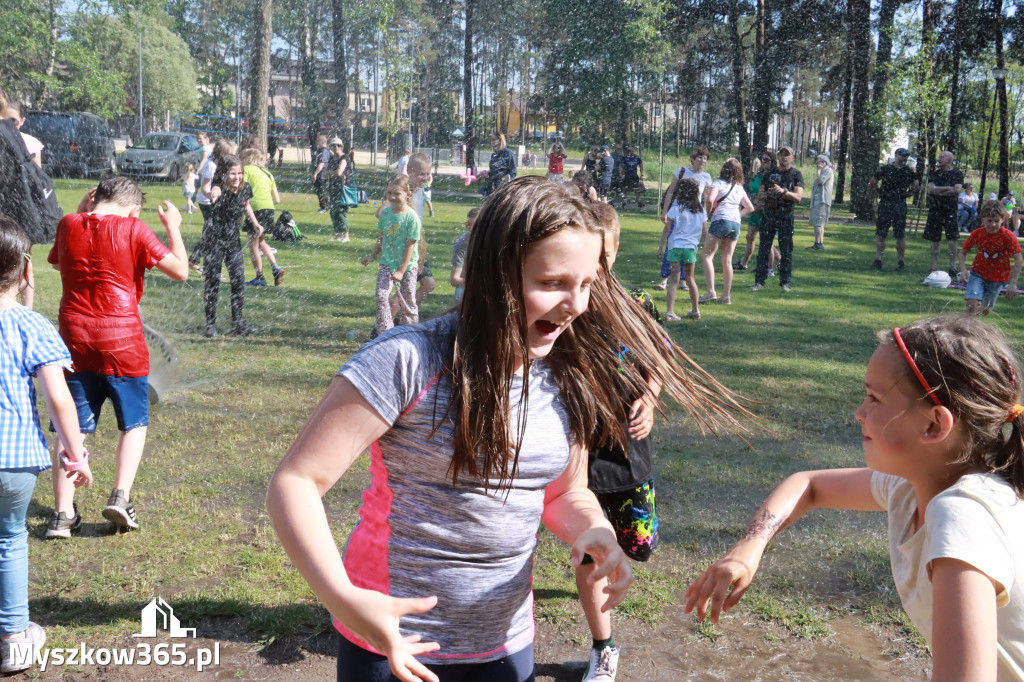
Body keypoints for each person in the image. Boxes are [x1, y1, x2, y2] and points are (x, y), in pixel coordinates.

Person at [266, 176, 747, 682]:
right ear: (495, 272)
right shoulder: (408, 360)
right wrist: (345, 600)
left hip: (505, 646)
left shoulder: (570, 371)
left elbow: (565, 492)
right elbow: (297, 482)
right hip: (394, 646)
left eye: (586, 284)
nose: (577, 305)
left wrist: (596, 532)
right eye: (554, 283)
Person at [685, 313, 1024, 682]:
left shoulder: (962, 515)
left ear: (933, 425)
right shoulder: (913, 486)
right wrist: (748, 548)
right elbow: (809, 484)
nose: (859, 413)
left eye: (874, 398)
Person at [46, 177, 188, 535]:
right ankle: (120, 498)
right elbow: (180, 271)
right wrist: (173, 227)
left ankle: (63, 515)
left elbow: (59, 264)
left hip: (74, 340)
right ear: (135, 207)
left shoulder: (68, 224)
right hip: (122, 342)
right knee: (134, 422)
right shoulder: (134, 228)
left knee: (71, 426)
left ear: (95, 198)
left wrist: (81, 212)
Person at [576, 201, 663, 682]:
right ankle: (603, 647)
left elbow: (659, 363)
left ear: (616, 250)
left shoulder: (638, 306)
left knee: (640, 545)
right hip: (583, 454)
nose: (596, 268)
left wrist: (648, 399)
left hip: (630, 452)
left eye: (604, 256)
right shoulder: (569, 307)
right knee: (593, 554)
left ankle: (611, 553)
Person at [0, 218, 91, 673]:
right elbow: (59, 399)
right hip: (12, 461)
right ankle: (15, 638)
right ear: (25, 271)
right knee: (9, 539)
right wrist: (76, 455)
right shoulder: (32, 326)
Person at [201, 154, 261, 338]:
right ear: (224, 174)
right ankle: (210, 324)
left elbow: (246, 205)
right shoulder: (219, 191)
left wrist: (255, 223)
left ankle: (237, 322)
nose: (237, 177)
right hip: (214, 242)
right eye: (233, 174)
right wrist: (214, 191)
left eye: (240, 173)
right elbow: (213, 189)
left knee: (238, 281)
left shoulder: (245, 188)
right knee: (212, 283)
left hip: (233, 243)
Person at [360, 174, 420, 333]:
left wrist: (401, 270)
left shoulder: (411, 218)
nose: (392, 197)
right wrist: (372, 256)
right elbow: (382, 238)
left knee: (407, 301)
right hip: (387, 262)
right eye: (389, 193)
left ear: (408, 194)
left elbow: (410, 246)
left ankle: (410, 332)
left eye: (397, 193)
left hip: (407, 267)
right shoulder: (386, 214)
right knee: (381, 296)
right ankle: (385, 331)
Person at [701, 158, 754, 306]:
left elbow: (710, 200)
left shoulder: (718, 184)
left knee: (707, 256)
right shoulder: (739, 188)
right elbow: (750, 208)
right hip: (735, 224)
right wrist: (737, 215)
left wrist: (709, 214)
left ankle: (711, 291)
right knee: (727, 260)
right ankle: (726, 296)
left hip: (720, 221)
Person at [659, 146, 711, 289]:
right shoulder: (682, 172)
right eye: (700, 157)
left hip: (693, 215)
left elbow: (706, 199)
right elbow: (670, 193)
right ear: (693, 159)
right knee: (672, 244)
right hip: (677, 213)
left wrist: (705, 217)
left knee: (687, 246)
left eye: (705, 158)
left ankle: (682, 279)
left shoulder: (706, 177)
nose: (702, 160)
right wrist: (665, 212)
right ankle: (664, 277)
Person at [957, 200, 1022, 316]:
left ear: (1003, 219)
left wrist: (1013, 283)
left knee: (985, 310)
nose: (993, 225)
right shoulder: (977, 234)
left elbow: (1019, 259)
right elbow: (962, 253)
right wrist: (963, 270)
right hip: (978, 273)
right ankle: (968, 329)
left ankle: (973, 323)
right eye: (989, 221)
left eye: (996, 221)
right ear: (982, 220)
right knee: (972, 304)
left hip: (998, 277)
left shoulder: (1008, 236)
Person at [752, 146, 803, 292]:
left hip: (786, 216)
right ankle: (759, 281)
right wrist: (769, 194)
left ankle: (785, 282)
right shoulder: (770, 174)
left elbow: (798, 197)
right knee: (763, 248)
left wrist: (784, 192)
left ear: (792, 158)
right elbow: (760, 195)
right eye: (781, 155)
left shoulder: (796, 175)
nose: (784, 157)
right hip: (769, 215)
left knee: (786, 250)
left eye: (787, 155)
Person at [659, 178, 704, 320]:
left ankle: (670, 312)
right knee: (691, 279)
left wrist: (661, 247)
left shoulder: (676, 209)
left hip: (675, 247)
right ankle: (695, 310)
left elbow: (667, 230)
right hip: (690, 248)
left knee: (674, 281)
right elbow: (704, 232)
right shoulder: (700, 211)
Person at [240, 147, 285, 287]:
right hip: (269, 208)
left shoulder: (247, 169)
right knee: (261, 242)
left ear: (248, 158)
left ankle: (259, 277)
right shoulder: (268, 174)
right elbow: (277, 199)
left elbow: (242, 189)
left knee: (253, 245)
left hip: (256, 209)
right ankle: (275, 268)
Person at [191, 138, 234, 275]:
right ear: (220, 152)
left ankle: (196, 260)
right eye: (227, 154)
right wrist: (212, 195)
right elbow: (204, 187)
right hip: (208, 203)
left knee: (211, 234)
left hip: (215, 202)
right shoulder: (211, 165)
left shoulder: (219, 164)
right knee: (211, 235)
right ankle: (203, 264)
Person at [871, 147, 918, 271]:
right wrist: (880, 192)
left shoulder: (909, 171)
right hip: (886, 203)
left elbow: (916, 186)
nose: (905, 158)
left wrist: (907, 194)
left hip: (899, 204)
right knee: (881, 234)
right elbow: (872, 182)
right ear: (896, 155)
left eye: (906, 156)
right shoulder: (885, 169)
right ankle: (878, 259)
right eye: (903, 156)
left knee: (900, 235)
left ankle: (901, 261)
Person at [734, 153, 780, 275]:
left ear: (772, 161)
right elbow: (751, 190)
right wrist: (749, 199)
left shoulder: (774, 176)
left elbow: (774, 194)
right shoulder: (758, 175)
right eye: (763, 159)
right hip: (755, 211)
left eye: (767, 160)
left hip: (766, 212)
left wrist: (762, 202)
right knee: (750, 237)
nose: (764, 162)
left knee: (768, 243)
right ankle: (744, 263)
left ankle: (770, 269)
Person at [923, 150, 964, 277]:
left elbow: (956, 190)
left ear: (950, 160)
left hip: (950, 210)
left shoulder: (957, 174)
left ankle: (953, 267)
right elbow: (930, 189)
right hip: (935, 210)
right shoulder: (935, 173)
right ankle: (933, 267)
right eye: (939, 156)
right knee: (935, 239)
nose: (939, 158)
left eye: (942, 157)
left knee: (952, 239)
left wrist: (938, 190)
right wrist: (947, 189)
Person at [449, 207, 479, 304]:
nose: (470, 228)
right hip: (469, 286)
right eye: (468, 224)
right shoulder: (462, 243)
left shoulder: (494, 241)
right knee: (461, 293)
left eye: (474, 225)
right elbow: (454, 279)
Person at [3, 98, 43, 169]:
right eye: (3, 120)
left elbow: (36, 176)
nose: (8, 124)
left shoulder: (32, 143)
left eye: (13, 120)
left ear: (22, 121)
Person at [326, 138, 352, 242]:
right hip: (333, 187)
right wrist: (332, 173)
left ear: (341, 146)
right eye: (333, 145)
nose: (336, 147)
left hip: (342, 189)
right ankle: (337, 235)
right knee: (333, 212)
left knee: (341, 211)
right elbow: (325, 173)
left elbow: (339, 172)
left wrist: (330, 173)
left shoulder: (344, 158)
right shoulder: (332, 159)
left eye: (338, 145)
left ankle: (346, 236)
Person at [806, 155, 833, 251]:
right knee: (819, 223)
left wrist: (819, 172)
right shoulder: (825, 171)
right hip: (818, 200)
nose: (817, 163)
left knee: (818, 222)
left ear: (824, 162)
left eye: (819, 161)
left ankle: (818, 243)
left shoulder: (827, 171)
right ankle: (819, 243)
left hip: (822, 200)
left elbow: (821, 181)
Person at [619, 147, 645, 211]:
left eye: (631, 151)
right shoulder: (624, 158)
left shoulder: (636, 158)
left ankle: (637, 201)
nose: (629, 152)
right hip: (627, 176)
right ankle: (625, 201)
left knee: (636, 189)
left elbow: (641, 166)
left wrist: (641, 174)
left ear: (633, 151)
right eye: (628, 151)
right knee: (625, 189)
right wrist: (620, 173)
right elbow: (621, 166)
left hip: (634, 176)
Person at [312, 135, 331, 213]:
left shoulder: (324, 152)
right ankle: (326, 206)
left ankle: (325, 207)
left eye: (318, 142)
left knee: (321, 192)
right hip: (322, 175)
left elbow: (321, 164)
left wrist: (315, 173)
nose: (317, 144)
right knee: (320, 192)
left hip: (322, 175)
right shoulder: (323, 151)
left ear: (322, 142)